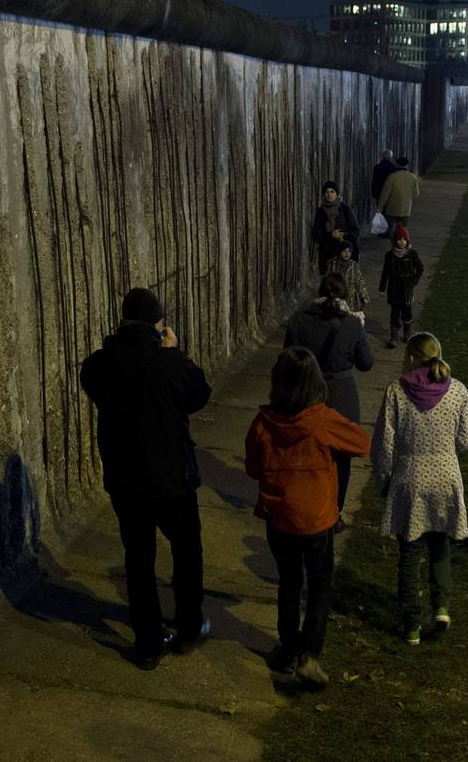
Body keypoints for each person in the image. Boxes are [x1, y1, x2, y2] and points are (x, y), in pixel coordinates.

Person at [80, 287, 213, 670]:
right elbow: (199, 393)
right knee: (187, 551)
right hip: (172, 478)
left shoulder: (100, 366)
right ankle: (188, 625)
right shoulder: (168, 363)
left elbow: (91, 376)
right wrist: (174, 352)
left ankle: (149, 642)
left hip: (126, 479)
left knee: (138, 558)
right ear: (157, 323)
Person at [245, 347, 371, 688]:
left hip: (279, 517)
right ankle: (309, 655)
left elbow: (253, 468)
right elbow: (361, 443)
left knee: (289, 582)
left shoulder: (263, 422)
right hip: (316, 519)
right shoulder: (321, 419)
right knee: (319, 585)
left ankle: (288, 649)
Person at [372, 332, 468, 645]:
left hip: (409, 479)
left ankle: (412, 624)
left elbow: (383, 446)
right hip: (446, 477)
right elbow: (466, 440)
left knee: (409, 552)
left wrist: (384, 482)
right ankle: (441, 606)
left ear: (411, 356)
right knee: (440, 542)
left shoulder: (395, 392)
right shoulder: (457, 391)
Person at [284, 273, 374, 529]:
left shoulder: (299, 320)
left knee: (304, 455)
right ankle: (334, 513)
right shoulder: (352, 324)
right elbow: (366, 363)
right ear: (345, 294)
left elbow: (287, 357)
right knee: (340, 460)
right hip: (342, 396)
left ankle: (304, 507)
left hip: (306, 394)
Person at [378, 224, 425, 349]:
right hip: (394, 287)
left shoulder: (412, 254)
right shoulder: (390, 255)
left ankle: (407, 333)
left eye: (404, 239)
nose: (402, 242)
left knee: (407, 311)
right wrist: (382, 288)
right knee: (394, 312)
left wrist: (413, 282)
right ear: (395, 241)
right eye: (399, 239)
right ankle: (393, 337)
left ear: (407, 240)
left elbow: (420, 268)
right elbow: (386, 272)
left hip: (407, 288)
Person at [311, 181, 360, 276]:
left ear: (336, 193)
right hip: (327, 253)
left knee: (346, 283)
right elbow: (316, 235)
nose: (329, 194)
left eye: (332, 191)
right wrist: (330, 235)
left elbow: (355, 230)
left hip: (345, 252)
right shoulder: (320, 212)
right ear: (324, 194)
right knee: (329, 282)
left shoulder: (345, 209)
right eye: (327, 192)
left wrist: (344, 236)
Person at [376, 157, 420, 230]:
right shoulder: (413, 177)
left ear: (397, 164)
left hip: (392, 209)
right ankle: (400, 241)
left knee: (390, 228)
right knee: (402, 230)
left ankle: (393, 240)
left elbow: (385, 194)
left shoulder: (392, 177)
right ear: (407, 165)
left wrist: (380, 206)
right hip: (405, 209)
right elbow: (416, 194)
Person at [325, 243, 369, 314]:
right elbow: (327, 280)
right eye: (344, 251)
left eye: (349, 251)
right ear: (339, 251)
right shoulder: (333, 264)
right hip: (336, 295)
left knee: (347, 315)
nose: (347, 253)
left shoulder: (353, 265)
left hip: (349, 297)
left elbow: (359, 281)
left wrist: (363, 295)